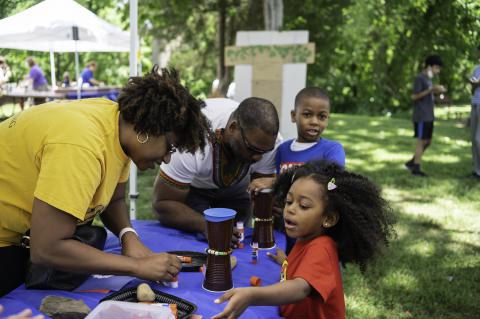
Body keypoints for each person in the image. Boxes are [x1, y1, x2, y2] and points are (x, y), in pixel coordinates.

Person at [0, 66, 210, 297]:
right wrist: (137, 267)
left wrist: (128, 236)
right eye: (169, 147)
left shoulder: (117, 124)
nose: (167, 159)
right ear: (147, 130)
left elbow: (114, 198)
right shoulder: (82, 146)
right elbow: (46, 248)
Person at [212, 160, 396, 319]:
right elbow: (305, 268)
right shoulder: (307, 238)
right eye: (289, 201)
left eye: (304, 206)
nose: (290, 209)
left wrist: (252, 295)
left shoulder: (322, 249)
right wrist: (287, 261)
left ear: (329, 218)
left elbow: (301, 288)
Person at [152, 97, 281, 240]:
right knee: (199, 242)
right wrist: (205, 225)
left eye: (264, 152)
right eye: (252, 149)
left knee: (235, 241)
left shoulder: (267, 141)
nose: (258, 158)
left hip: (239, 188)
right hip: (195, 186)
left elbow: (259, 195)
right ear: (232, 128)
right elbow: (163, 204)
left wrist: (267, 204)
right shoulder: (191, 135)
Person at [249, 87, 346, 254]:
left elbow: (331, 184)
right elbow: (281, 189)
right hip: (283, 225)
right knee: (282, 266)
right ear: (294, 116)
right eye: (307, 114)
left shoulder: (332, 150)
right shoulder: (283, 150)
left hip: (313, 229)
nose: (315, 121)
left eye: (321, 116)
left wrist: (275, 181)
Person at [404, 54, 445, 177]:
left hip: (429, 116)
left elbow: (428, 94)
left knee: (428, 141)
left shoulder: (428, 79)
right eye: (437, 68)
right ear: (429, 66)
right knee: (421, 141)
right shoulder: (420, 78)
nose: (438, 71)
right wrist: (431, 90)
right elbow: (414, 96)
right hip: (421, 116)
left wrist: (436, 93)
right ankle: (416, 168)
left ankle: (412, 162)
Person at [468, 45, 480, 179]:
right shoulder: (476, 69)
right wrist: (473, 85)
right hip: (475, 104)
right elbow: (473, 89)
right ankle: (477, 171)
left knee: (478, 139)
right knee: (473, 139)